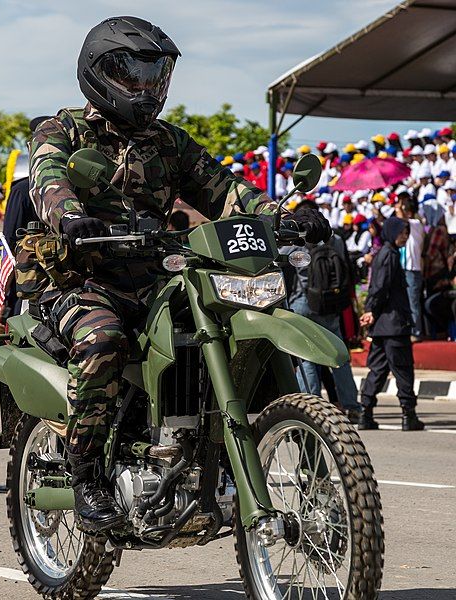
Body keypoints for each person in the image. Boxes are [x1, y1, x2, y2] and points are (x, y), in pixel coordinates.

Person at [29, 16, 331, 532]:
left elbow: (223, 189)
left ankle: (205, 448)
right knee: (103, 342)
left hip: (158, 278)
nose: (146, 88)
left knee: (223, 319)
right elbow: (48, 177)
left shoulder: (170, 142)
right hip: (85, 281)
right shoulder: (62, 129)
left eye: (155, 75)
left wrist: (279, 213)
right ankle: (86, 477)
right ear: (99, 74)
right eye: (133, 76)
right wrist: (70, 217)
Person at [285, 201, 361, 423]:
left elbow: (277, 259)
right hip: (330, 305)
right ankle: (352, 405)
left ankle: (311, 407)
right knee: (339, 356)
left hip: (303, 303)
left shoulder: (296, 241)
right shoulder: (335, 239)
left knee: (306, 358)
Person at [359, 217, 425, 431]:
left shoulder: (385, 253)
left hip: (382, 326)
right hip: (394, 324)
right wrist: (371, 310)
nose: (404, 236)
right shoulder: (389, 254)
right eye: (401, 232)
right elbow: (380, 287)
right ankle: (408, 415)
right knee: (403, 369)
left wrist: (371, 311)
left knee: (377, 370)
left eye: (406, 232)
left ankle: (365, 413)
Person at [395, 196, 425, 341]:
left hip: (412, 269)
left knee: (413, 302)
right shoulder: (409, 226)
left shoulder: (416, 224)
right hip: (405, 267)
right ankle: (410, 329)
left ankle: (416, 332)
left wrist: (399, 206)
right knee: (407, 301)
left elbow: (401, 220)